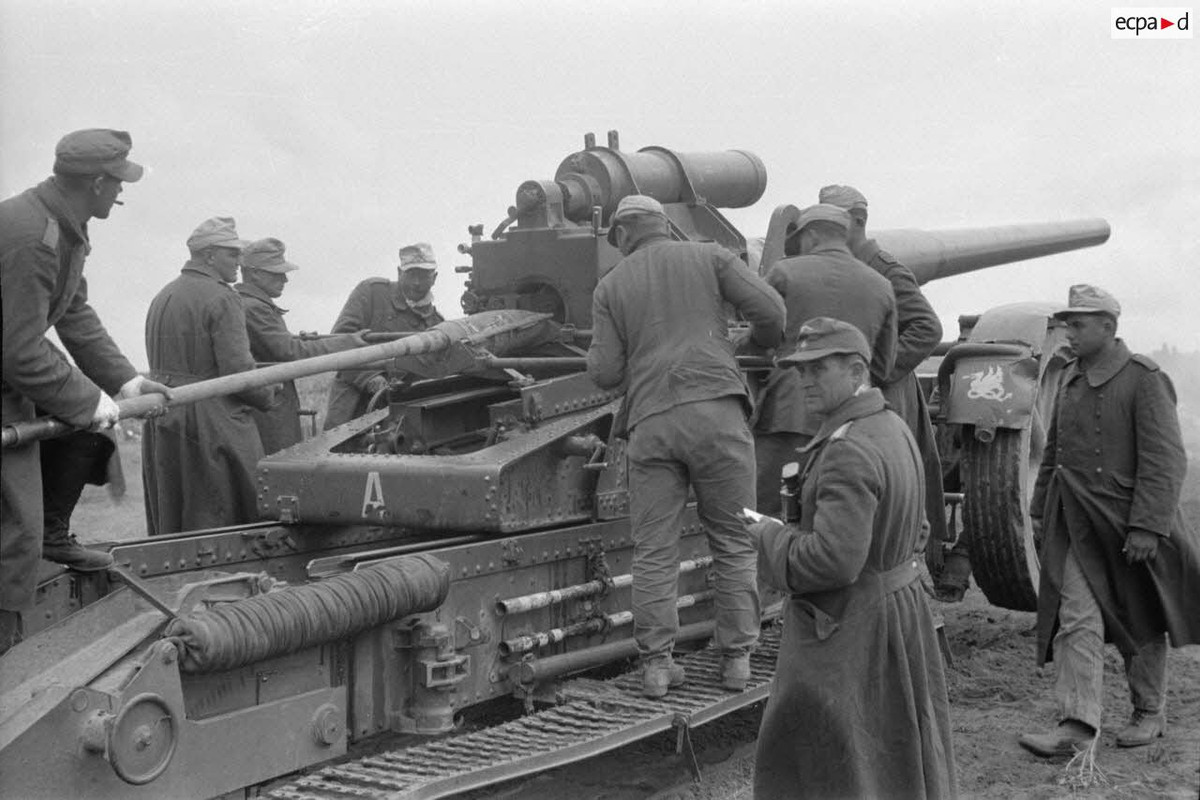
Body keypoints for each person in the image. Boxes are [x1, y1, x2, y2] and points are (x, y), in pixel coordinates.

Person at [747, 317, 956, 799]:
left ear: (857, 370)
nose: (805, 381)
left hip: (851, 630)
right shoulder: (891, 428)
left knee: (834, 769)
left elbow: (831, 562)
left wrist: (769, 536)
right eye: (801, 370)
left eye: (819, 369)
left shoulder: (848, 448)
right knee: (895, 760)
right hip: (898, 616)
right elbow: (919, 527)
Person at [586, 195, 785, 698]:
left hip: (652, 421)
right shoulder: (710, 256)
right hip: (717, 413)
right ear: (665, 226)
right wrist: (746, 343)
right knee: (735, 539)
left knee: (655, 549)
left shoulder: (611, 285)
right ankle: (737, 661)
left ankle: (657, 667)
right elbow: (773, 312)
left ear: (622, 235)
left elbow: (604, 372)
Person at [1, 129, 170, 652]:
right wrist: (89, 401)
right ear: (96, 182)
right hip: (8, 369)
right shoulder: (33, 235)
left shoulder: (62, 227)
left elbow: (73, 311)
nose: (119, 195)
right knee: (15, 525)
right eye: (117, 183)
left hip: (9, 367)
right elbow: (19, 350)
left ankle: (51, 535)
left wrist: (124, 382)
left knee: (89, 426)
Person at [1018, 284, 1200, 757]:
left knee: (1140, 616)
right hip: (1075, 522)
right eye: (1066, 325)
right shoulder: (1069, 377)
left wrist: (1147, 527)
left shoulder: (1144, 378)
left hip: (1126, 523)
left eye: (1078, 325)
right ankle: (1077, 727)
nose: (1069, 334)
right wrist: (1038, 511)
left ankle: (1149, 712)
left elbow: (1165, 459)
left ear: (1108, 326)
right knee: (1076, 616)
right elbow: (1054, 454)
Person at [819, 184, 953, 584]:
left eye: (833, 221)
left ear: (858, 221)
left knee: (893, 494)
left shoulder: (884, 269)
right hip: (852, 398)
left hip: (884, 397)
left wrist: (875, 371)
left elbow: (927, 327)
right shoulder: (839, 268)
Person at [753, 203, 897, 516]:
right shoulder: (882, 286)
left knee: (769, 515)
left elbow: (757, 334)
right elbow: (884, 366)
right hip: (855, 422)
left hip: (789, 414)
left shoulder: (784, 272)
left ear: (812, 236)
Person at [142, 217, 277, 535]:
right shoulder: (223, 297)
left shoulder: (163, 295)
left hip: (164, 414)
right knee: (229, 512)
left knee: (174, 512)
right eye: (232, 253)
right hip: (210, 420)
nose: (239, 261)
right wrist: (269, 394)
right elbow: (239, 373)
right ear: (209, 255)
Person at [236, 238, 365, 453]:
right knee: (278, 467)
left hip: (265, 408)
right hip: (268, 412)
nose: (285, 279)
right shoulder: (255, 308)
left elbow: (283, 345)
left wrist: (310, 340)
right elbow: (290, 352)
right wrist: (348, 342)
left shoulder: (250, 304)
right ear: (255, 273)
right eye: (277, 273)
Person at [322, 243, 444, 430]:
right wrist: (370, 378)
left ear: (434, 278)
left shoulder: (437, 325)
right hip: (354, 406)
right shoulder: (372, 293)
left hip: (403, 416)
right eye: (411, 274)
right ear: (399, 273)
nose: (416, 283)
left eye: (423, 275)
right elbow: (339, 341)